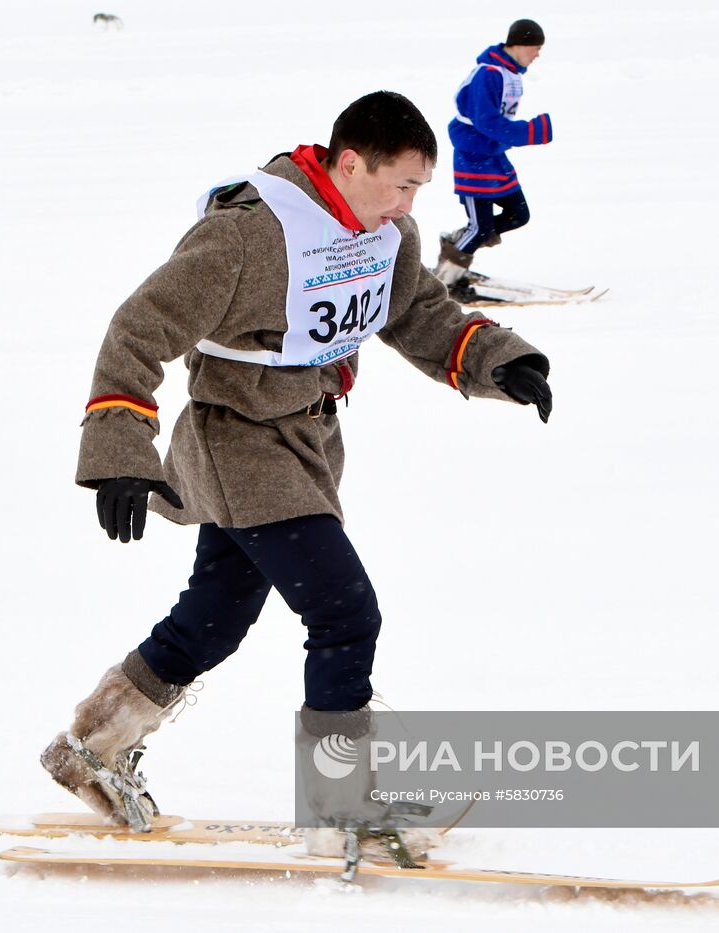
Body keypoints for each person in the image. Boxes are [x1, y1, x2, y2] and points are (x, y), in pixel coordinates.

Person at [40, 90, 553, 857]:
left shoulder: (385, 232)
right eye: (402, 184)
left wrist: (495, 358)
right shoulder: (249, 236)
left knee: (216, 613)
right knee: (345, 612)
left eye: (419, 187)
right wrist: (120, 452)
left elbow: (414, 311)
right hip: (239, 443)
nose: (412, 203)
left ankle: (92, 746)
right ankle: (341, 806)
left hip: (306, 446)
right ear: (351, 163)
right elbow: (139, 327)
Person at [434, 18, 555, 301]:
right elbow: (486, 121)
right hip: (473, 156)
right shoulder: (488, 73)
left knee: (518, 214)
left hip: (493, 155)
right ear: (520, 44)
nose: (538, 54)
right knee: (481, 228)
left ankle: (458, 243)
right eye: (536, 47)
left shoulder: (509, 73)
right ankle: (446, 280)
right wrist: (531, 132)